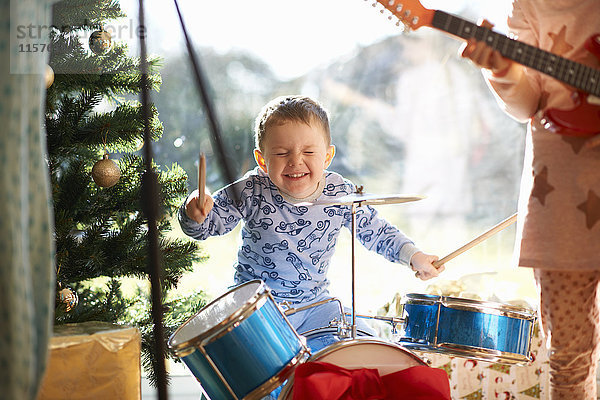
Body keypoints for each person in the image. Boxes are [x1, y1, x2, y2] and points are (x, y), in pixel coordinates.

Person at [179, 94, 445, 353]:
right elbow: (210, 225)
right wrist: (195, 214)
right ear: (262, 160)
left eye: (308, 151)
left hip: (315, 304)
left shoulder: (340, 191)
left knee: (359, 346)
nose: (296, 161)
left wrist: (413, 256)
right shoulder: (251, 189)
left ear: (327, 157)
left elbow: (376, 231)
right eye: (282, 153)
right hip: (256, 309)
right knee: (262, 380)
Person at [460, 2, 600, 398]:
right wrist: (502, 69)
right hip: (560, 197)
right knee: (570, 358)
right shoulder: (529, 5)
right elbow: (526, 104)